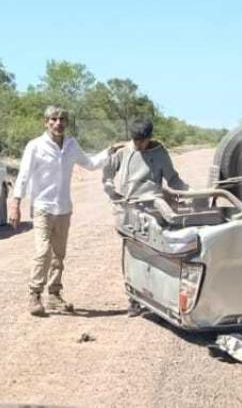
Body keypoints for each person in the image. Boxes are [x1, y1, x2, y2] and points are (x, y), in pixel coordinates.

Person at [10, 105, 118, 317]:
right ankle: (34, 294)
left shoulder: (71, 145)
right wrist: (15, 204)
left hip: (63, 208)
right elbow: (23, 175)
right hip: (42, 207)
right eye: (54, 119)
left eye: (62, 119)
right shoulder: (35, 146)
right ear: (46, 122)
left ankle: (54, 295)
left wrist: (110, 151)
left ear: (66, 123)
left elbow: (90, 163)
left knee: (59, 254)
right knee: (43, 252)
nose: (58, 123)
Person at [102, 118, 189, 316]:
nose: (139, 145)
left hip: (154, 208)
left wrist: (188, 193)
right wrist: (110, 190)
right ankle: (133, 297)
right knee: (132, 253)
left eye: (143, 141)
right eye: (136, 141)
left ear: (149, 138)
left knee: (156, 252)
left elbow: (173, 179)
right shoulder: (122, 152)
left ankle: (157, 296)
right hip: (128, 209)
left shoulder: (159, 153)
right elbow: (106, 174)